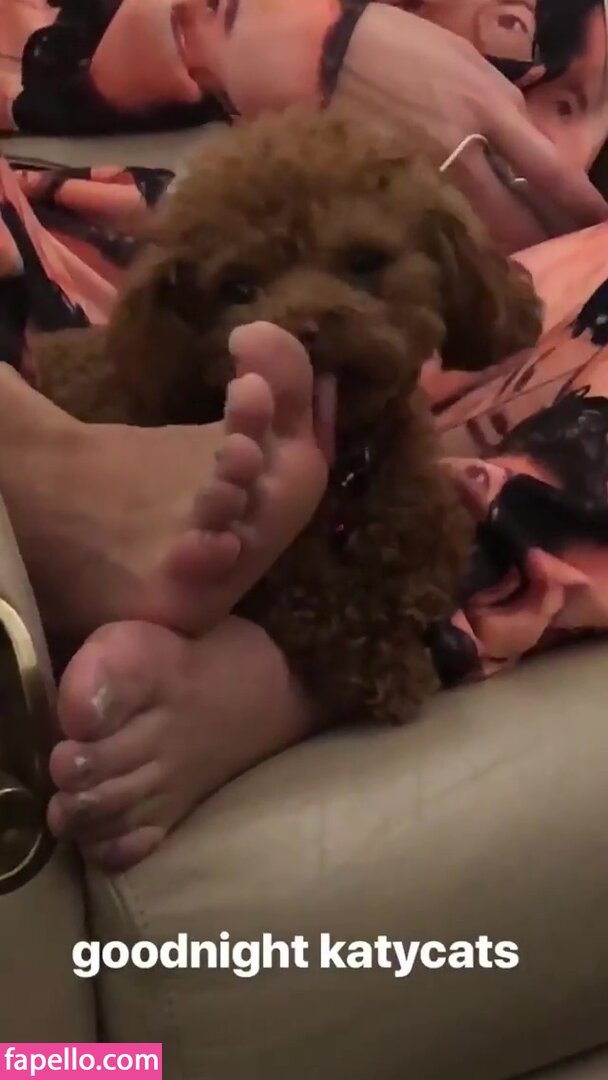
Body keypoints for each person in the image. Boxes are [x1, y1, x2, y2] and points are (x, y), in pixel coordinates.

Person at [1, 0, 607, 870]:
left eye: (360, 269)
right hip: (70, 282)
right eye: (249, 290)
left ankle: (278, 670)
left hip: (537, 316)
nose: (307, 322)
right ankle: (46, 470)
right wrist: (285, 33)